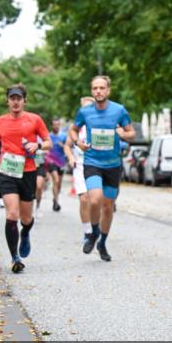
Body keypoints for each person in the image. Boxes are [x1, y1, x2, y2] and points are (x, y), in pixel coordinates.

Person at [0, 84, 50, 274]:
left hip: (27, 171)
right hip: (7, 171)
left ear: (24, 100)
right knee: (12, 214)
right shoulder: (0, 122)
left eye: (19, 98)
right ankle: (14, 258)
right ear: (7, 101)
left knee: (26, 218)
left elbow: (48, 142)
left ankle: (25, 232)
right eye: (12, 98)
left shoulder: (35, 119)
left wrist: (38, 146)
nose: (16, 101)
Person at [69, 77, 135, 262]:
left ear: (108, 90)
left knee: (108, 206)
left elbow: (132, 133)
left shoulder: (119, 110)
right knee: (95, 199)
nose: (98, 91)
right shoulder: (84, 112)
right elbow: (73, 130)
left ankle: (102, 242)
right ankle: (94, 232)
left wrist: (124, 133)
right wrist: (78, 142)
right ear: (92, 91)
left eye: (102, 88)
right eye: (95, 88)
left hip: (113, 165)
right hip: (92, 162)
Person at [65, 97, 96, 243]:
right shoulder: (76, 127)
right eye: (83, 108)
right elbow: (67, 146)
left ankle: (96, 228)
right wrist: (71, 157)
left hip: (97, 165)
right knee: (84, 199)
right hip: (80, 166)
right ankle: (87, 232)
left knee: (96, 200)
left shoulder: (99, 124)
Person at [46, 117, 68, 212]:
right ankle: (56, 203)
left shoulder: (63, 136)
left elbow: (68, 148)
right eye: (54, 125)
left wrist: (62, 145)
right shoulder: (48, 136)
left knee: (59, 184)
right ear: (52, 125)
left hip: (61, 162)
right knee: (56, 179)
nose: (56, 127)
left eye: (58, 125)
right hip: (51, 161)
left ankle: (55, 198)